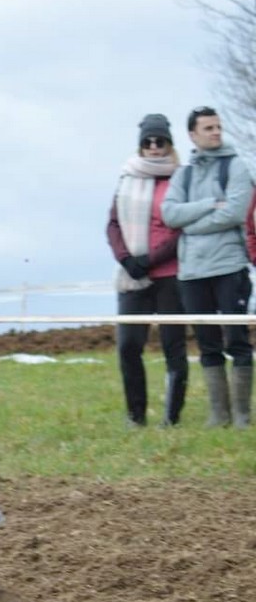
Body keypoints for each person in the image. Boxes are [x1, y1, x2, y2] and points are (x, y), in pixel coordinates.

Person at [162, 106, 254, 428]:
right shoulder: (183, 174)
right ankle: (219, 415)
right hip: (192, 272)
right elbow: (170, 214)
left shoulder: (236, 166)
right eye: (208, 128)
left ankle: (242, 416)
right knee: (206, 343)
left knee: (237, 340)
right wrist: (209, 204)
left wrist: (191, 224)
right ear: (193, 135)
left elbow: (235, 212)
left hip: (229, 266)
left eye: (218, 127)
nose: (215, 132)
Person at [106, 113, 187, 428]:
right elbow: (113, 224)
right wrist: (126, 259)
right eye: (148, 142)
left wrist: (150, 260)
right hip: (133, 276)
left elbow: (181, 229)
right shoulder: (127, 178)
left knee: (173, 346)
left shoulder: (181, 178)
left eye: (160, 141)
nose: (154, 147)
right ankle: (135, 415)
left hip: (170, 274)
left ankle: (171, 418)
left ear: (169, 143)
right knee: (128, 346)